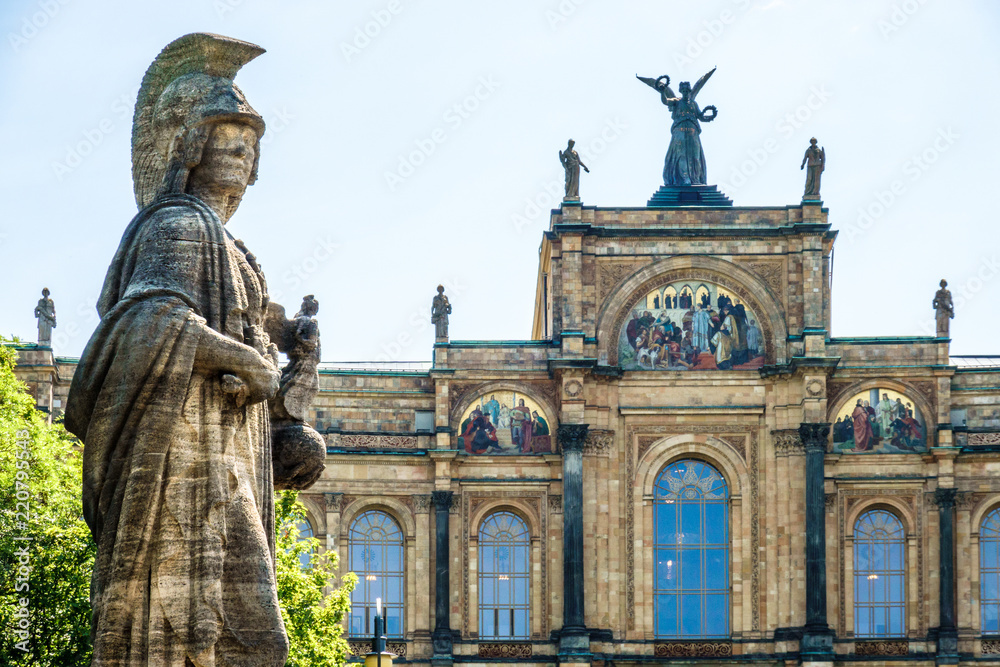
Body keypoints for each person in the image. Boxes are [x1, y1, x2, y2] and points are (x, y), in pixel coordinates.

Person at [64, 34, 303, 665]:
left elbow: (250, 374)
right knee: (252, 642)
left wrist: (288, 421)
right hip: (183, 470)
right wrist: (242, 360)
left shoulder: (237, 252)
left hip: (227, 463)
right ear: (192, 146)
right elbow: (146, 323)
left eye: (252, 146)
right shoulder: (177, 224)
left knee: (251, 640)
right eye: (232, 142)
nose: (245, 157)